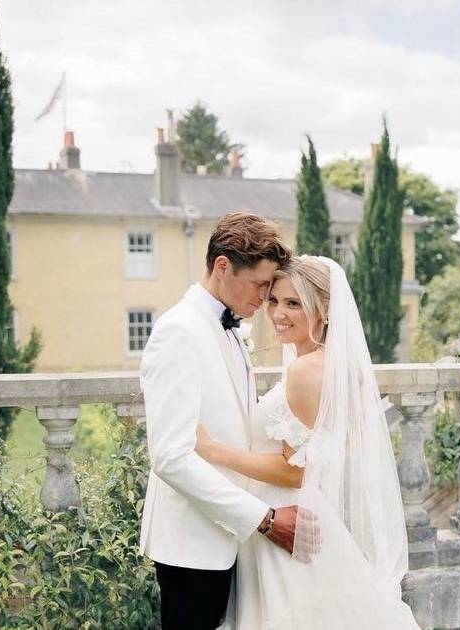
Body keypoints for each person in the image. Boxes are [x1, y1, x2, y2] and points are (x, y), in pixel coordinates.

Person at [195, 256, 421, 629]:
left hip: (287, 521)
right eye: (273, 300)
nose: (278, 314)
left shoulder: (305, 370)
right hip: (303, 517)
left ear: (325, 310)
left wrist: (214, 451)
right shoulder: (329, 364)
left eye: (293, 303)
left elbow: (295, 470)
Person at [139, 212, 308, 630]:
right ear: (222, 266)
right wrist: (264, 519)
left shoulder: (229, 328)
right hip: (192, 544)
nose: (265, 299)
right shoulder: (178, 331)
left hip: (228, 540)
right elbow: (172, 457)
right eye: (259, 285)